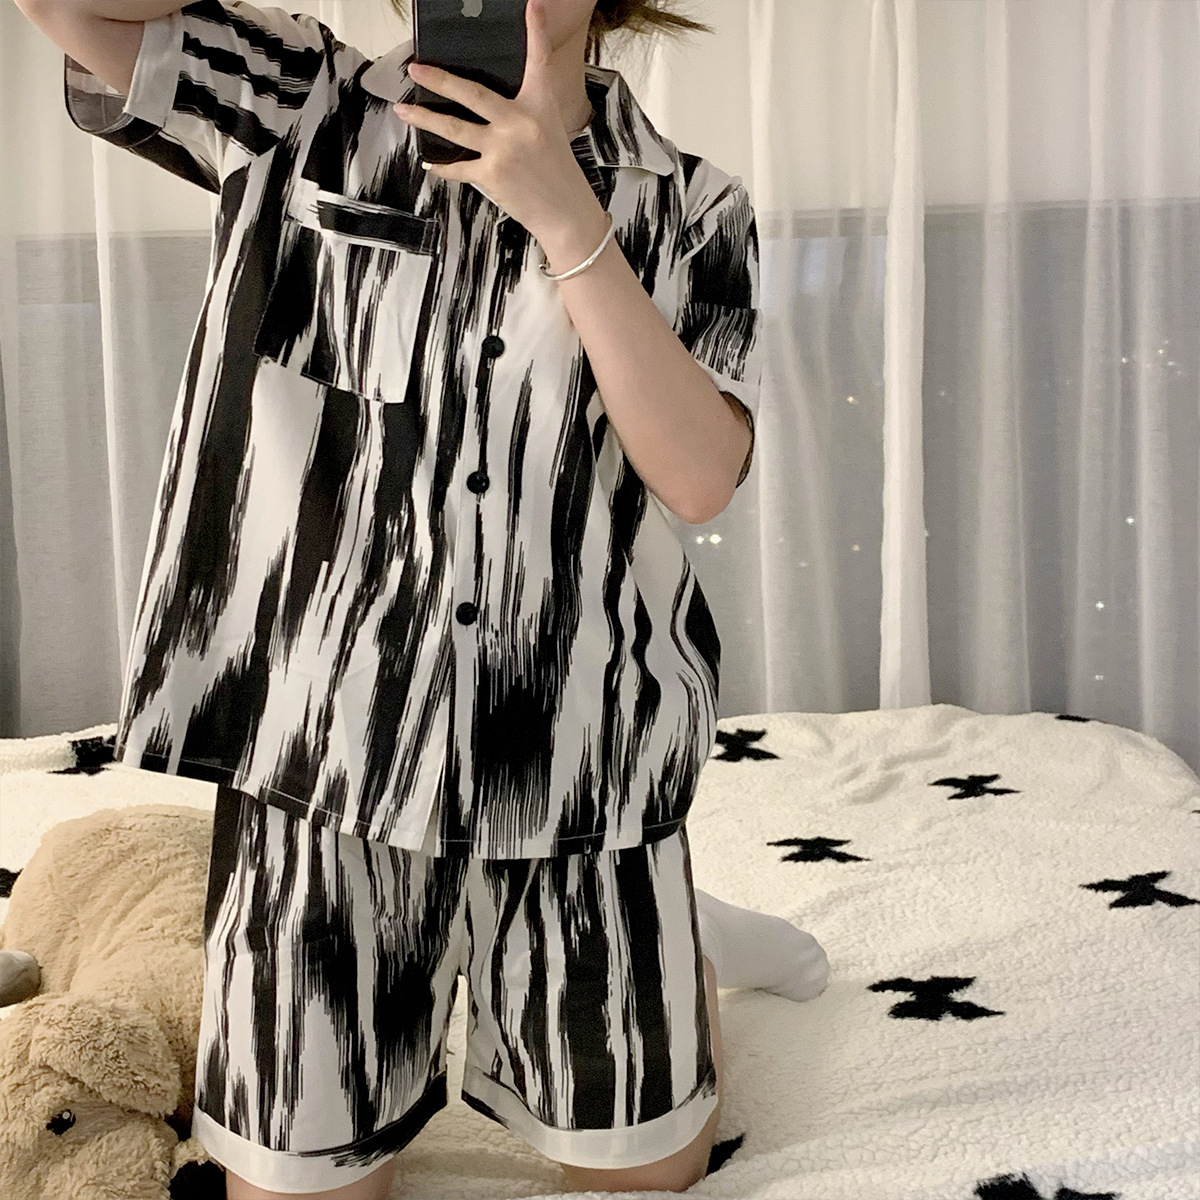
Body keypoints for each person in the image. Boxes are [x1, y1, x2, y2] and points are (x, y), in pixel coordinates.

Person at [11, 0, 829, 1195]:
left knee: (645, 1177)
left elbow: (700, 476)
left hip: (579, 767)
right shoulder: (295, 101)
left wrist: (565, 215)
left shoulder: (694, 203)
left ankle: (683, 959)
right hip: (322, 768)